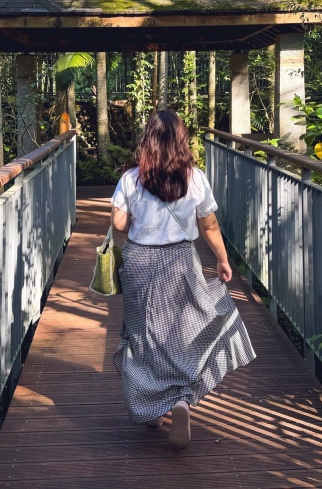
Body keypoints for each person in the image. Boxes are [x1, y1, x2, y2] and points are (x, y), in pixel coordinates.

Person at [110, 109, 256, 449]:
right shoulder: (196, 178)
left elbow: (118, 226)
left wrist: (135, 214)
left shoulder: (132, 178)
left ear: (147, 141)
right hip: (180, 260)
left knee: (144, 336)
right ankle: (181, 400)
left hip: (140, 263)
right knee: (188, 332)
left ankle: (153, 403)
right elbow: (209, 225)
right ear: (181, 140)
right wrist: (222, 259)